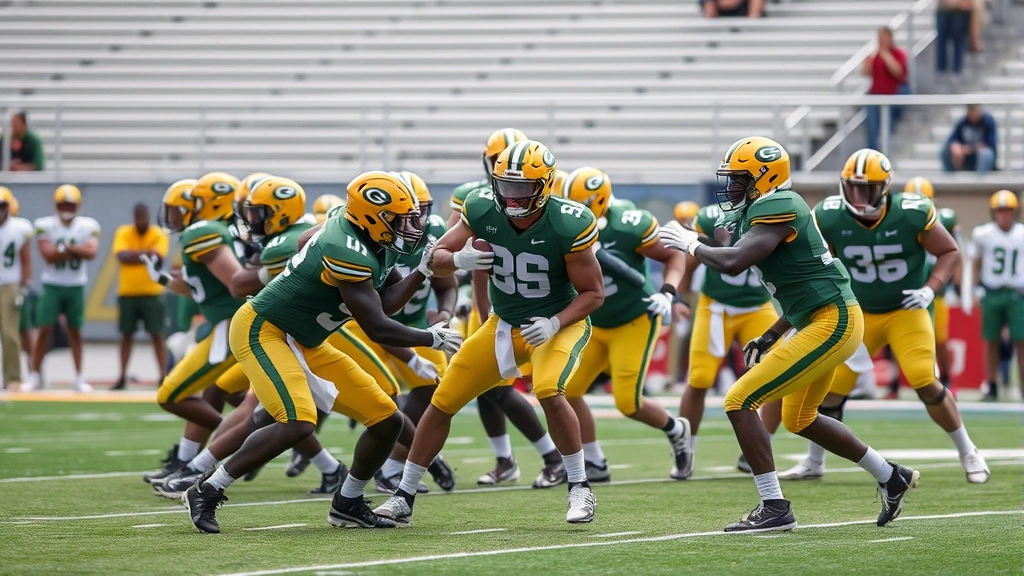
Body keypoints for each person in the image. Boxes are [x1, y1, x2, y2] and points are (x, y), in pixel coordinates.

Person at [659, 136, 919, 532]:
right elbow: (802, 280)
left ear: (764, 178)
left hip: (832, 320)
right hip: (819, 316)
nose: (731, 187)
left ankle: (774, 506)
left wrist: (693, 245)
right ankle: (890, 476)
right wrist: (773, 332)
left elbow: (735, 262)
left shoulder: (778, 204)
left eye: (740, 179)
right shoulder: (766, 207)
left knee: (739, 398)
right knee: (800, 419)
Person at [182, 172, 462, 533]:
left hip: (306, 338)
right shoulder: (346, 246)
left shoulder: (369, 235)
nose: (409, 226)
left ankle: (347, 502)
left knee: (386, 420)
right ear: (371, 217)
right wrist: (429, 339)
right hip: (265, 330)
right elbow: (377, 325)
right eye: (397, 218)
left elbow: (388, 301)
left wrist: (422, 271)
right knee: (297, 422)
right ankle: (207, 488)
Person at [375, 140, 604, 526]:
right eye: (505, 186)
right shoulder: (481, 206)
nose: (511, 197)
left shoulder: (569, 221)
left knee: (548, 390)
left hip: (557, 324)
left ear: (545, 185)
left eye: (521, 188)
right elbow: (437, 258)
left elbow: (593, 294)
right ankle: (404, 494)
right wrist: (458, 259)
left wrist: (553, 323)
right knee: (443, 399)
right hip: (504, 322)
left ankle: (580, 486)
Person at [780, 149, 988, 484]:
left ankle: (968, 451)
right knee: (831, 391)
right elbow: (820, 263)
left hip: (907, 309)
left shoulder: (911, 212)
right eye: (853, 188)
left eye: (868, 189)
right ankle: (814, 462)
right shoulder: (830, 215)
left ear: (885, 188)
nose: (858, 197)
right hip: (859, 312)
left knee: (924, 381)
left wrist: (930, 288)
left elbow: (949, 251)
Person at [448, 128, 567, 489]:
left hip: (536, 304)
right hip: (490, 298)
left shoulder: (546, 200)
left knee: (508, 386)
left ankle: (551, 456)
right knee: (485, 387)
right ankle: (506, 459)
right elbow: (468, 253)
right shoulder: (474, 199)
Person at [560, 167, 691, 481]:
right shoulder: (562, 223)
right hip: (594, 321)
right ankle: (595, 461)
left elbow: (674, 256)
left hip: (633, 319)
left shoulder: (630, 223)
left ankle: (677, 429)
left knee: (627, 402)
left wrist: (668, 292)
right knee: (566, 391)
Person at [343, 171, 459, 492]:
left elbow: (447, 284)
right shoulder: (364, 236)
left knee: (432, 386)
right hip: (365, 327)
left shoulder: (433, 232)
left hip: (414, 324)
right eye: (406, 212)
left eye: (420, 211)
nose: (415, 220)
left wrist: (445, 315)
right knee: (382, 397)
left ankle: (393, 466)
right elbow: (379, 319)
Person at [140, 173, 255, 485]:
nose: (176, 216)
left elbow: (235, 283)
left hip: (231, 326)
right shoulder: (224, 230)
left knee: (171, 394)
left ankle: (241, 442)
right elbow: (198, 288)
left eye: (187, 206)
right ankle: (186, 460)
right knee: (225, 395)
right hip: (229, 323)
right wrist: (163, 278)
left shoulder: (205, 231)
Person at [673, 202, 779, 480]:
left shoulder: (775, 216)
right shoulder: (711, 218)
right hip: (716, 305)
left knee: (779, 376)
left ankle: (759, 447)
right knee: (699, 378)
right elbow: (693, 258)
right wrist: (680, 296)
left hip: (757, 306)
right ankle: (686, 450)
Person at [26, 185, 100, 392]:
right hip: (52, 284)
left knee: (75, 331)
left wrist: (64, 248)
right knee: (44, 330)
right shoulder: (44, 225)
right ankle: (34, 375)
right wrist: (77, 249)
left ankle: (78, 377)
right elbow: (48, 255)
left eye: (70, 204)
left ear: (78, 205)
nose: (67, 208)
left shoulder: (88, 225)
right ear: (56, 205)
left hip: (76, 285)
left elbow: (91, 253)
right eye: (63, 204)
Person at [906, 177, 961, 388]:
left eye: (925, 199)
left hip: (935, 292)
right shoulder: (899, 220)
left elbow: (955, 253)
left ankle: (946, 380)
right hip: (910, 289)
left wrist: (956, 282)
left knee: (940, 340)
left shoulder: (942, 221)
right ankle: (897, 383)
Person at [970, 190, 1024, 401]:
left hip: (1017, 293)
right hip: (991, 292)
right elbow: (976, 263)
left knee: (1021, 342)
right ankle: (991, 386)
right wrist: (975, 288)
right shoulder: (983, 234)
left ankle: (1022, 387)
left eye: (1008, 211)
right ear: (994, 213)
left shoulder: (1021, 233)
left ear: (1015, 212)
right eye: (1000, 211)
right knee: (991, 341)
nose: (1004, 215)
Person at [111, 203, 169, 390]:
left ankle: (163, 376)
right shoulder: (124, 231)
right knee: (126, 335)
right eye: (138, 217)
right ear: (134, 217)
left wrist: (134, 255)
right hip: (128, 292)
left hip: (152, 292)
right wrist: (146, 254)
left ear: (148, 216)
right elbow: (122, 256)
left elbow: (158, 257)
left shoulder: (158, 233)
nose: (141, 220)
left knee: (157, 335)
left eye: (143, 217)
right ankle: (121, 376)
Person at [0, 187, 33, 389]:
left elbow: (26, 259)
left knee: (11, 334)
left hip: (9, 284)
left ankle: (13, 379)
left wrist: (24, 286)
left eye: (2, 206)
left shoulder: (20, 228)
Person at [861, 27, 907, 151]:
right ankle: (873, 150)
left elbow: (898, 72)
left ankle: (887, 151)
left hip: (891, 95)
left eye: (884, 38)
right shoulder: (875, 55)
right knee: (871, 125)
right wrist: (868, 61)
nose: (881, 41)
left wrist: (886, 56)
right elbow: (865, 73)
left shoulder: (898, 54)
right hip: (875, 95)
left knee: (888, 124)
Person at [941, 104, 997, 173]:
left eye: (974, 110)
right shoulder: (963, 122)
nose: (972, 113)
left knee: (986, 153)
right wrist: (955, 147)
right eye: (970, 110)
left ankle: (980, 182)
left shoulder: (987, 121)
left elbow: (989, 144)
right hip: (965, 158)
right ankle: (951, 179)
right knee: (944, 150)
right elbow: (951, 140)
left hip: (979, 158)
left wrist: (968, 149)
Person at [936, 0, 973, 83]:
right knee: (942, 42)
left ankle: (957, 69)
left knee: (959, 42)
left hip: (960, 11)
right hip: (944, 10)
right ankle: (941, 69)